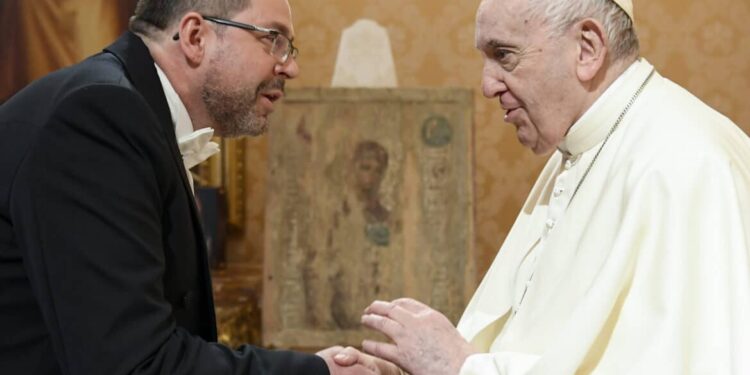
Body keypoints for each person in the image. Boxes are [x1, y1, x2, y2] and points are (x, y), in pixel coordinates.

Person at [329, 0, 750, 373]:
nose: (487, 85)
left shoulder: (689, 166)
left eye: (504, 55)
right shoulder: (577, 149)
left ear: (587, 48)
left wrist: (460, 369)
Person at [0, 0, 374, 374]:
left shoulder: (128, 109)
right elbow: (133, 363)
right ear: (196, 37)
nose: (291, 67)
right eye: (273, 39)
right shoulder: (99, 117)